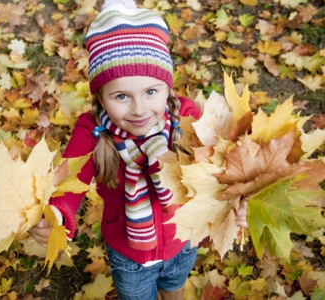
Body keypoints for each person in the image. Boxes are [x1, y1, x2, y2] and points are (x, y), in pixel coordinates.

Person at [31, 0, 248, 299]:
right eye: (121, 95)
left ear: (167, 88)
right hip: (129, 256)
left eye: (150, 92)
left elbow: (221, 168)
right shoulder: (92, 131)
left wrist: (238, 203)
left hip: (183, 241)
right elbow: (70, 181)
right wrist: (57, 214)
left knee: (175, 287)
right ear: (101, 97)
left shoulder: (185, 118)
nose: (139, 109)